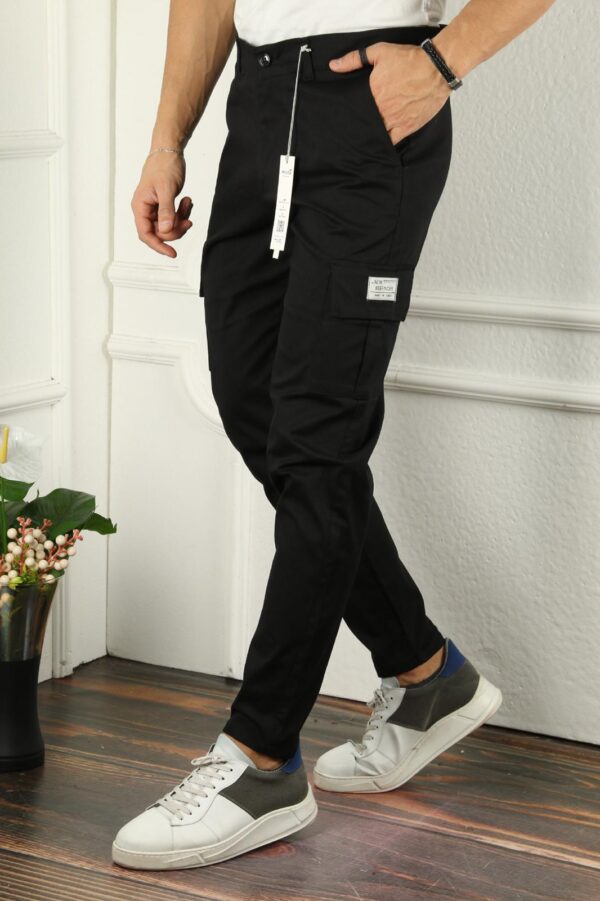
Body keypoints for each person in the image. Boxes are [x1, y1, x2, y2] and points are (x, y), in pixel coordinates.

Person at [113, 0, 556, 871]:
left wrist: (442, 63)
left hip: (369, 106)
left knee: (316, 442)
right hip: (256, 105)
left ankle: (261, 758)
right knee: (254, 404)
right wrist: (167, 140)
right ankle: (425, 673)